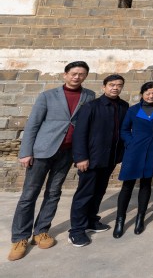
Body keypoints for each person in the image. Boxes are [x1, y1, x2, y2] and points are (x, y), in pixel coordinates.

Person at [8, 62, 95, 260]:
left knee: (54, 192)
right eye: (73, 73)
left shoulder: (89, 96)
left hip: (67, 152)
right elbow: (33, 124)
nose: (77, 77)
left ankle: (41, 231)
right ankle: (20, 237)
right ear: (65, 75)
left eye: (81, 74)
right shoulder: (47, 96)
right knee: (29, 194)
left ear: (85, 76)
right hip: (42, 151)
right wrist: (26, 152)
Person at [68, 74, 129, 247]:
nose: (115, 88)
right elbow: (80, 133)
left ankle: (91, 220)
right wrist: (81, 157)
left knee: (99, 191)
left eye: (119, 85)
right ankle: (76, 230)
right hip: (91, 158)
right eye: (111, 85)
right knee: (84, 194)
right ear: (104, 87)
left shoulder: (124, 106)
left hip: (110, 158)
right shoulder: (91, 106)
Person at [113, 81, 153, 238]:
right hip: (134, 151)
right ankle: (120, 220)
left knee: (146, 184)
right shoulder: (133, 110)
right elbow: (124, 130)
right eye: (148, 93)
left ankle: (140, 218)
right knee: (127, 185)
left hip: (152, 149)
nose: (151, 96)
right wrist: (130, 142)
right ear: (142, 94)